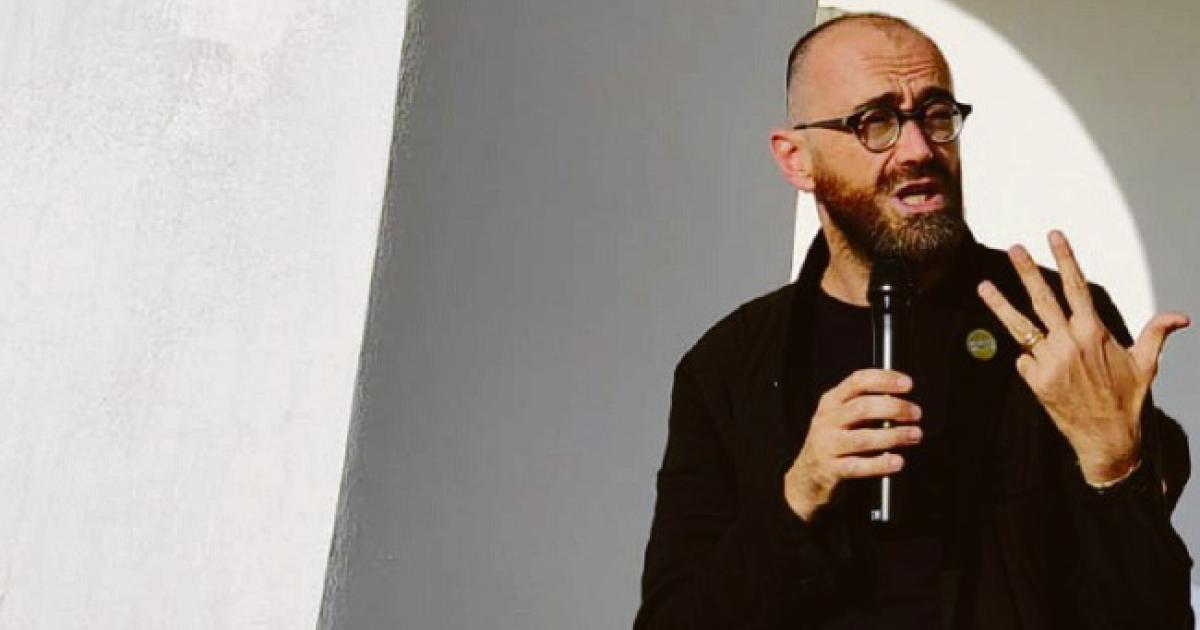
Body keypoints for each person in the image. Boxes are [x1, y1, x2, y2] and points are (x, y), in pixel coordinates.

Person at [634, 12, 1193, 629]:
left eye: (936, 114)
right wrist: (800, 492)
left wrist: (1117, 469)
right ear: (797, 159)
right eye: (875, 122)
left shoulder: (1059, 326)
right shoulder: (730, 366)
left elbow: (1154, 616)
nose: (919, 149)